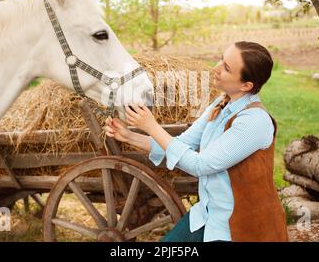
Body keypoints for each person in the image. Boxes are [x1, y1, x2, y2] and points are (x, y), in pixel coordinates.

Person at [103, 41, 288, 242]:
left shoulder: (254, 121)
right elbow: (181, 144)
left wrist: (152, 126)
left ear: (246, 85)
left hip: (240, 229)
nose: (215, 68)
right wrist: (129, 135)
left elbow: (200, 165)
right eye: (221, 59)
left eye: (226, 68)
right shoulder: (222, 103)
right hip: (207, 215)